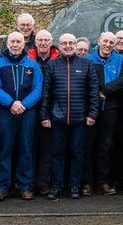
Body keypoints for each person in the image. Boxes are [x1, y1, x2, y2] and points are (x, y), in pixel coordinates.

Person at [41, 33, 100, 200]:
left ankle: (75, 186)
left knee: (77, 153)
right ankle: (57, 187)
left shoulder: (87, 64)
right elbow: (46, 93)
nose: (68, 46)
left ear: (75, 45)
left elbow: (93, 93)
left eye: (71, 43)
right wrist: (44, 115)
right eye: (64, 43)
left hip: (80, 119)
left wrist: (92, 114)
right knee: (57, 153)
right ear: (59, 46)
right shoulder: (52, 66)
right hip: (57, 118)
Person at [0, 31, 43, 201]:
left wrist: (24, 105)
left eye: (18, 42)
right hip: (7, 112)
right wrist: (11, 103)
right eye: (12, 41)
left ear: (24, 44)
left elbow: (38, 89)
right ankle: (2, 186)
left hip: (28, 113)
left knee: (26, 149)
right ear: (7, 44)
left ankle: (25, 186)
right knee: (5, 149)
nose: (15, 44)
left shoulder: (33, 65)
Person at [83, 32, 123, 195]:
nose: (108, 44)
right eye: (105, 41)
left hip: (111, 107)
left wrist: (106, 91)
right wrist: (97, 92)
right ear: (98, 41)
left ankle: (104, 182)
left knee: (106, 145)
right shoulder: (88, 59)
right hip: (91, 108)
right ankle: (87, 183)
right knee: (88, 146)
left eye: (111, 42)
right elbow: (85, 81)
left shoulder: (120, 59)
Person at [28, 30, 60, 195]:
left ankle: (44, 182)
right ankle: (29, 182)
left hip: (51, 110)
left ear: (51, 42)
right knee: (30, 147)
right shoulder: (27, 58)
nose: (42, 43)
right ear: (35, 42)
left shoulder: (58, 59)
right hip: (30, 109)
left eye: (46, 40)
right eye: (39, 40)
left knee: (47, 148)